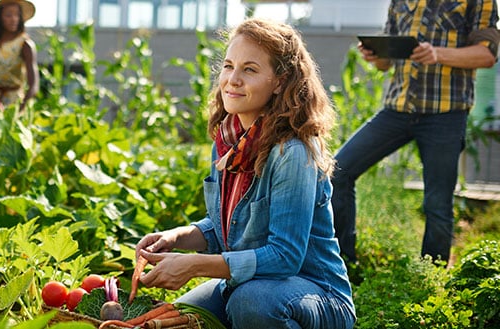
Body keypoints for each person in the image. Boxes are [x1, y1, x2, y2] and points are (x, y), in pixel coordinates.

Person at [133, 18, 356, 329]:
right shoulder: (227, 142)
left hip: (314, 292)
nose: (232, 79)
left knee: (250, 303)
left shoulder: (292, 152)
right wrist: (176, 238)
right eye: (228, 66)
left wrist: (195, 266)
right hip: (247, 283)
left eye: (249, 69)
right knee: (183, 314)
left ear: (280, 81)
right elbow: (228, 226)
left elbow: (284, 257)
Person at [332, 0, 500, 268]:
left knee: (437, 204)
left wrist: (438, 54)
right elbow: (386, 65)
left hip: (445, 113)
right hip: (397, 109)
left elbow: (487, 55)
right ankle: (343, 264)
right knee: (338, 170)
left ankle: (429, 276)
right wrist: (377, 55)